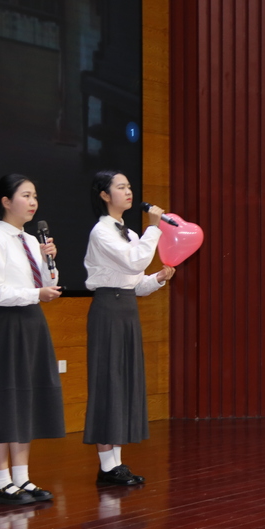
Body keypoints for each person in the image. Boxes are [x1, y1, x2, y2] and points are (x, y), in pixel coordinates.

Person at [0, 174, 65, 506]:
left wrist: (50, 263)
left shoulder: (30, 241)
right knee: (3, 400)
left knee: (25, 399)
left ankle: (22, 478)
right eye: (25, 195)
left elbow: (47, 282)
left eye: (35, 195)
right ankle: (2, 483)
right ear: (6, 202)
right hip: (4, 326)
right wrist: (35, 293)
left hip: (31, 322)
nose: (33, 201)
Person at [84, 170, 175, 486]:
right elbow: (134, 261)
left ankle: (116, 464)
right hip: (108, 310)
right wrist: (155, 228)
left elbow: (136, 283)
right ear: (104, 195)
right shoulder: (102, 232)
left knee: (123, 382)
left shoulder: (131, 234)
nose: (128, 191)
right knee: (107, 381)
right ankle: (106, 466)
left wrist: (158, 279)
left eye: (129, 186)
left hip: (126, 309)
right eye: (120, 187)